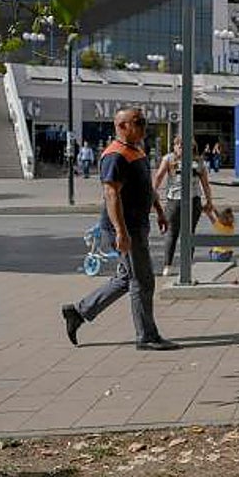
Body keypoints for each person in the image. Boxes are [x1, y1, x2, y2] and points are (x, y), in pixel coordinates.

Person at [61, 107, 179, 351]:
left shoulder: (135, 150)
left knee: (127, 278)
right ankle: (146, 336)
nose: (144, 126)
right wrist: (120, 232)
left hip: (137, 224)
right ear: (122, 126)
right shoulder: (115, 155)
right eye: (139, 122)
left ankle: (79, 311)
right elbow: (111, 194)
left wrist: (158, 209)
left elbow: (146, 185)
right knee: (142, 280)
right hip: (126, 228)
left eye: (144, 122)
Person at [152, 137, 214, 276]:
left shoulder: (198, 161)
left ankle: (187, 265)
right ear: (173, 146)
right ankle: (167, 265)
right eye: (178, 145)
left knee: (189, 233)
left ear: (192, 147)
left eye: (185, 145)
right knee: (172, 232)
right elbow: (158, 177)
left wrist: (209, 201)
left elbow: (205, 183)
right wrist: (152, 194)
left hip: (194, 200)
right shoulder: (168, 159)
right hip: (174, 200)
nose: (181, 147)